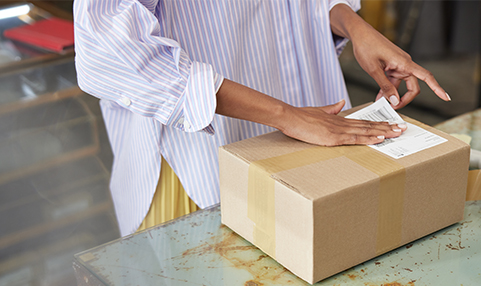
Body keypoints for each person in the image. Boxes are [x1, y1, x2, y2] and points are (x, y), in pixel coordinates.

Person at [74, 0, 450, 237]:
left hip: (313, 131)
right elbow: (112, 54)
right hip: (199, 158)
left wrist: (355, 26)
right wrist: (284, 116)